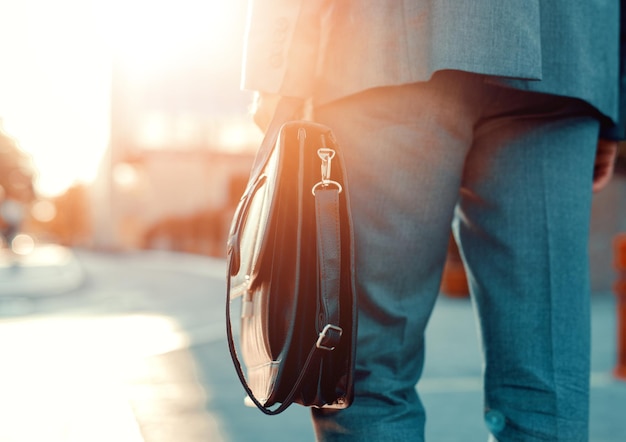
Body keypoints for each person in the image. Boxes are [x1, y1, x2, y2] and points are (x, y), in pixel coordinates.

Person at [241, 1, 624, 441]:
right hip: (566, 54)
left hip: (388, 44)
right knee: (547, 388)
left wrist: (276, 66)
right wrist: (615, 96)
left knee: (369, 378)